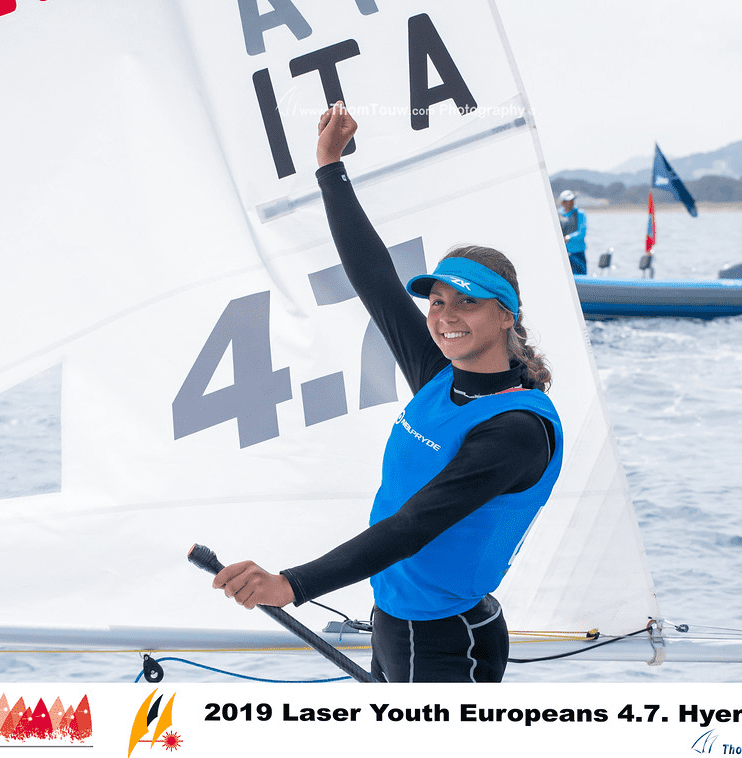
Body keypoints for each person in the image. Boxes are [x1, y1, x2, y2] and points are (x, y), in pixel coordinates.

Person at [211, 102, 564, 683]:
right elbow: (373, 277)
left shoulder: (516, 431)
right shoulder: (439, 376)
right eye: (438, 301)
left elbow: (414, 525)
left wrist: (291, 585)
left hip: (448, 642)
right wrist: (330, 168)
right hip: (396, 622)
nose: (446, 316)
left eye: (468, 302)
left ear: (507, 315)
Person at [557, 189, 587, 275]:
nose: (571, 203)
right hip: (563, 253)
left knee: (580, 277)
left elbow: (582, 232)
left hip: (577, 254)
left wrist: (567, 238)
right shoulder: (558, 214)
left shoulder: (580, 213)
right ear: (563, 202)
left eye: (572, 200)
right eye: (568, 201)